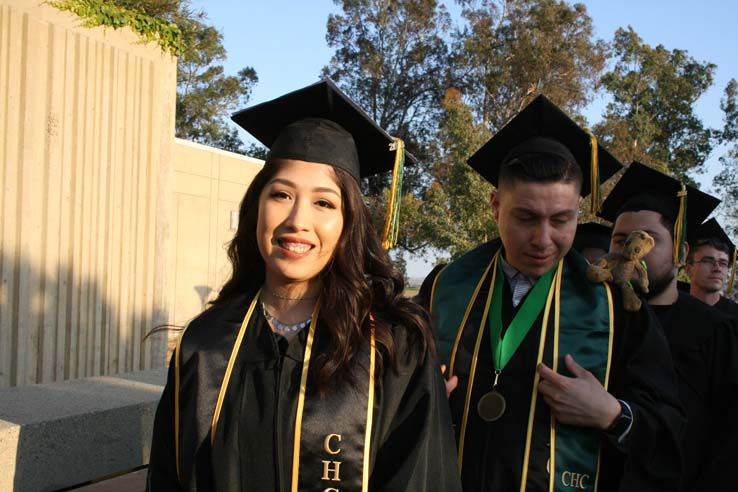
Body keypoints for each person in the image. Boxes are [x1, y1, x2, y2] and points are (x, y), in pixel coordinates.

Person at [147, 79, 462, 492]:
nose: (297, 219)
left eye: (324, 202)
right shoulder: (204, 346)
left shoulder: (393, 345)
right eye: (281, 194)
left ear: (348, 222)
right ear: (256, 208)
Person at [418, 96, 684, 491]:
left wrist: (612, 414)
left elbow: (669, 430)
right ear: (495, 206)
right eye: (526, 218)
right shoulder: (444, 287)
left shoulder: (613, 305)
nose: (544, 240)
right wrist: (418, 399)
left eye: (562, 219)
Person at [599, 161, 738, 491]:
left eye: (649, 240)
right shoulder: (596, 319)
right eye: (619, 240)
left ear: (681, 252)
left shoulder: (716, 332)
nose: (630, 251)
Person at [684, 218, 738, 317]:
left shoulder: (734, 317)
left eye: (723, 263)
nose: (717, 268)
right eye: (708, 261)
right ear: (688, 269)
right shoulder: (672, 313)